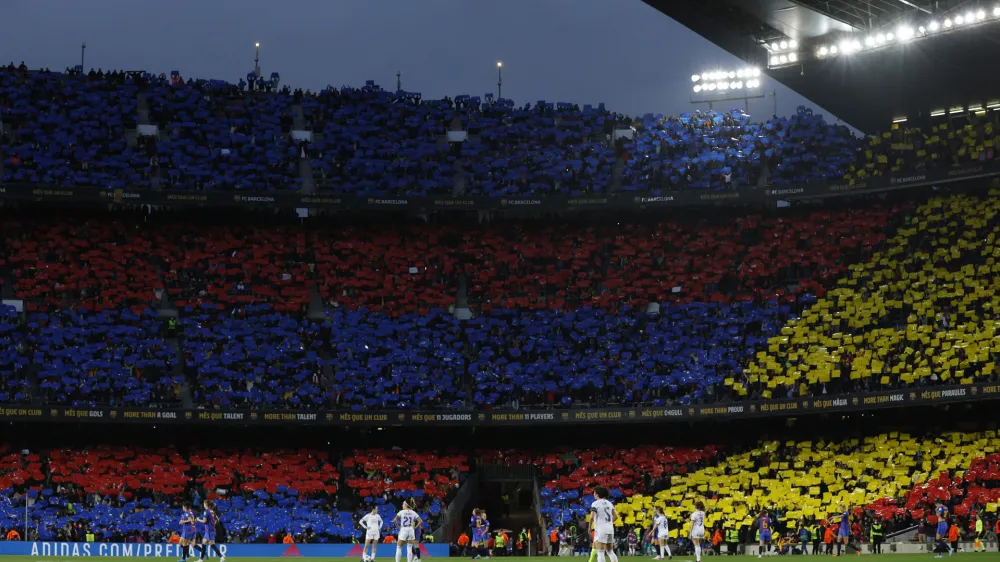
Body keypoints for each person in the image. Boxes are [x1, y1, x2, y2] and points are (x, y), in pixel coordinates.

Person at [590, 487, 619, 562]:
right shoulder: (609, 503)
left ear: (597, 494)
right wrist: (609, 523)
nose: (593, 494)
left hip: (601, 529)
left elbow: (591, 517)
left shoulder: (595, 503)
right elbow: (616, 516)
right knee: (610, 551)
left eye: (594, 493)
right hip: (610, 529)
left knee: (600, 552)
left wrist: (589, 528)